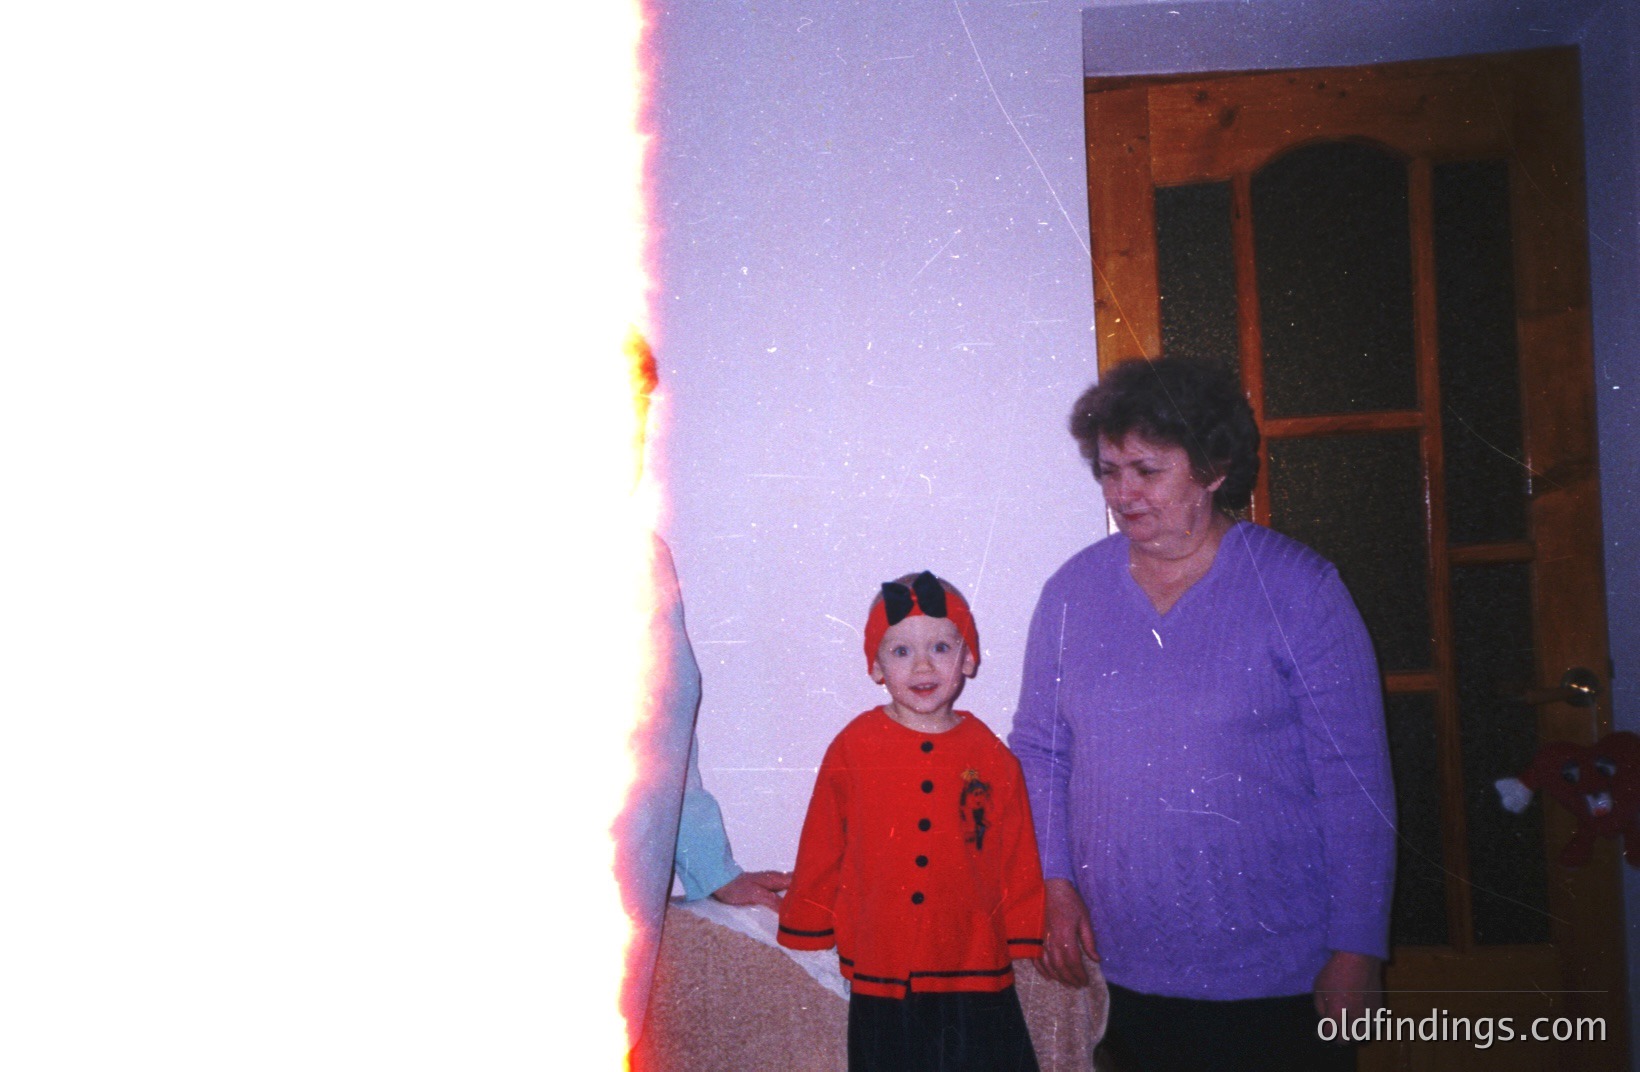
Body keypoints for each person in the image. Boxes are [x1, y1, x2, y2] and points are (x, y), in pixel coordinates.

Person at [1008, 357, 1395, 1072]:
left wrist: (1359, 948)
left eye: (1146, 471)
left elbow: (1355, 781)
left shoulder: (1299, 589)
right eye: (1108, 470)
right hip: (1118, 965)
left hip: (1278, 974)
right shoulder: (1072, 592)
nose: (1122, 493)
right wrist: (1054, 884)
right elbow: (1040, 749)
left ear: (1214, 468)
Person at [779, 571, 1046, 1072]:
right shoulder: (853, 747)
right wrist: (808, 923)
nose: (922, 664)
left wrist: (1025, 928)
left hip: (975, 965)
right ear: (876, 667)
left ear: (968, 658)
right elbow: (822, 842)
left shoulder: (990, 757)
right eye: (901, 651)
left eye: (941, 647)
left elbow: (1016, 850)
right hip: (884, 966)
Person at [614, 337, 791, 1052]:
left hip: (624, 922)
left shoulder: (643, 559)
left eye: (636, 413)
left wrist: (714, 869)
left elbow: (670, 733)